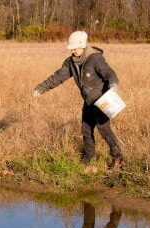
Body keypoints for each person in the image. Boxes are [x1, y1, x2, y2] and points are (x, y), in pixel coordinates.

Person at [33, 31, 123, 174]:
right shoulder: (71, 63)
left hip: (102, 101)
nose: (72, 51)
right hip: (88, 102)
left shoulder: (95, 59)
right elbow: (57, 77)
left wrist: (113, 87)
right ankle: (87, 158)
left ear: (82, 45)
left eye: (75, 48)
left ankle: (118, 158)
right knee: (86, 130)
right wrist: (40, 88)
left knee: (104, 130)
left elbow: (110, 74)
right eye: (71, 48)